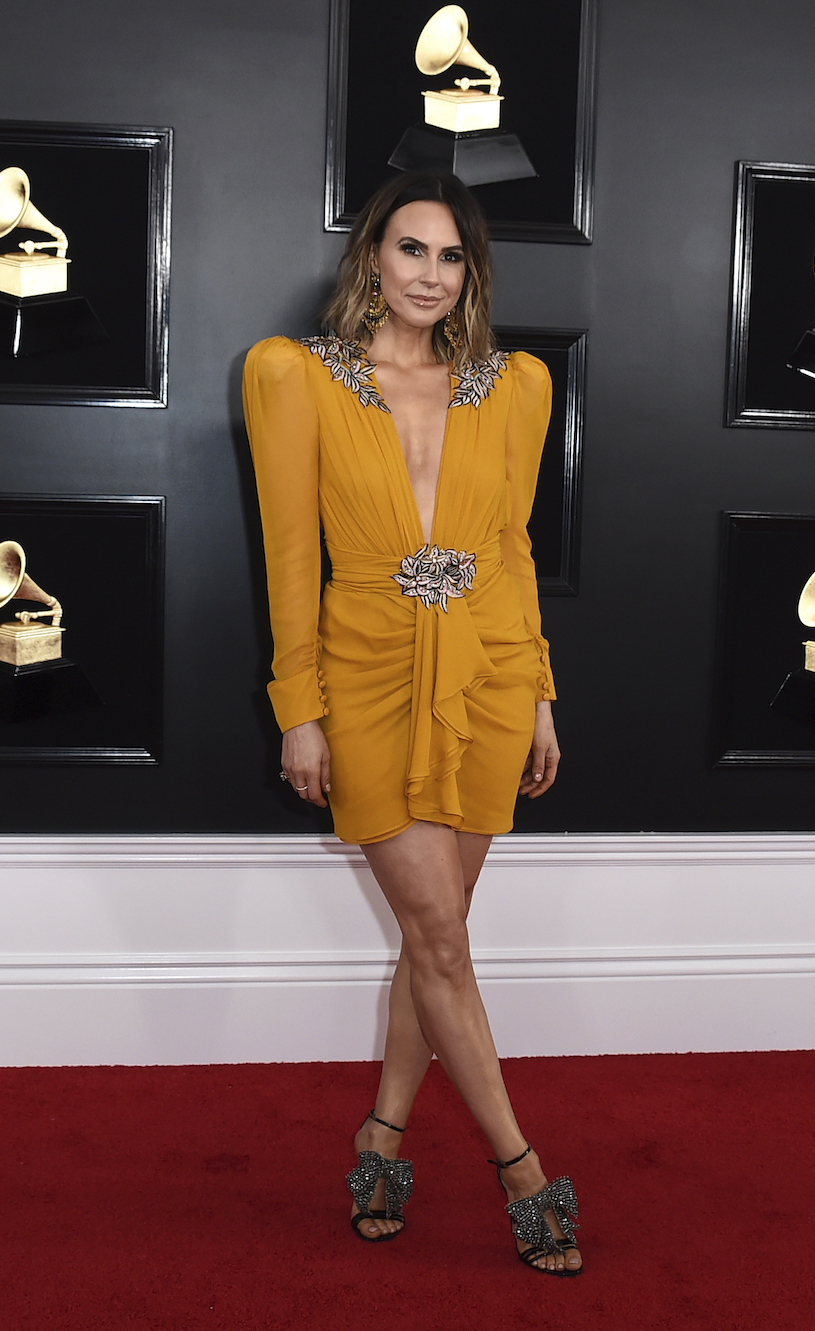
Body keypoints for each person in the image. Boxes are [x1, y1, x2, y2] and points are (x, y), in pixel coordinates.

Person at [242, 170, 581, 1276]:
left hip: (484, 677)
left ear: (470, 271)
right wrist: (302, 709)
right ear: (372, 260)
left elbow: (514, 550)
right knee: (439, 937)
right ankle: (521, 1167)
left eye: (451, 256)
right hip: (369, 675)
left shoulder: (513, 387)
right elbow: (291, 558)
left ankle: (381, 1138)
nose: (430, 275)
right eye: (410, 250)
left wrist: (536, 691)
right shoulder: (299, 378)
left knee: (437, 940)